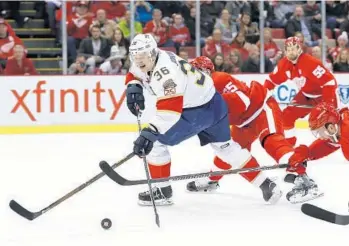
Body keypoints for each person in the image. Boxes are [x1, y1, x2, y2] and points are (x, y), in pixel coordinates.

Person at [125, 34, 282, 206]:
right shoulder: (155, 55)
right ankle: (266, 184)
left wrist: (149, 132)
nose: (138, 60)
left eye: (142, 56)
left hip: (195, 112)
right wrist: (133, 86)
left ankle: (162, 191)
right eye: (135, 56)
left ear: (152, 53)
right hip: (215, 103)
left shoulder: (167, 74)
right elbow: (135, 72)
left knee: (155, 142)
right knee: (226, 147)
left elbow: (169, 113)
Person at [188, 56, 322, 204]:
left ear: (206, 71)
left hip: (262, 109)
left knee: (271, 141)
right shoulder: (199, 93)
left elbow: (242, 102)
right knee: (230, 151)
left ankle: (304, 179)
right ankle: (211, 180)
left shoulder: (218, 79)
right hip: (244, 123)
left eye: (195, 71)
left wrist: (209, 111)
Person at [264, 36, 338, 147]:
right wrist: (264, 94)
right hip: (306, 96)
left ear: (300, 49)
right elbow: (272, 81)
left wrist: (327, 104)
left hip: (324, 95)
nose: (291, 52)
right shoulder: (284, 64)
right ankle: (289, 146)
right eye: (288, 49)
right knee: (286, 117)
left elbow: (329, 82)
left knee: (334, 126)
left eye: (294, 48)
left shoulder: (310, 62)